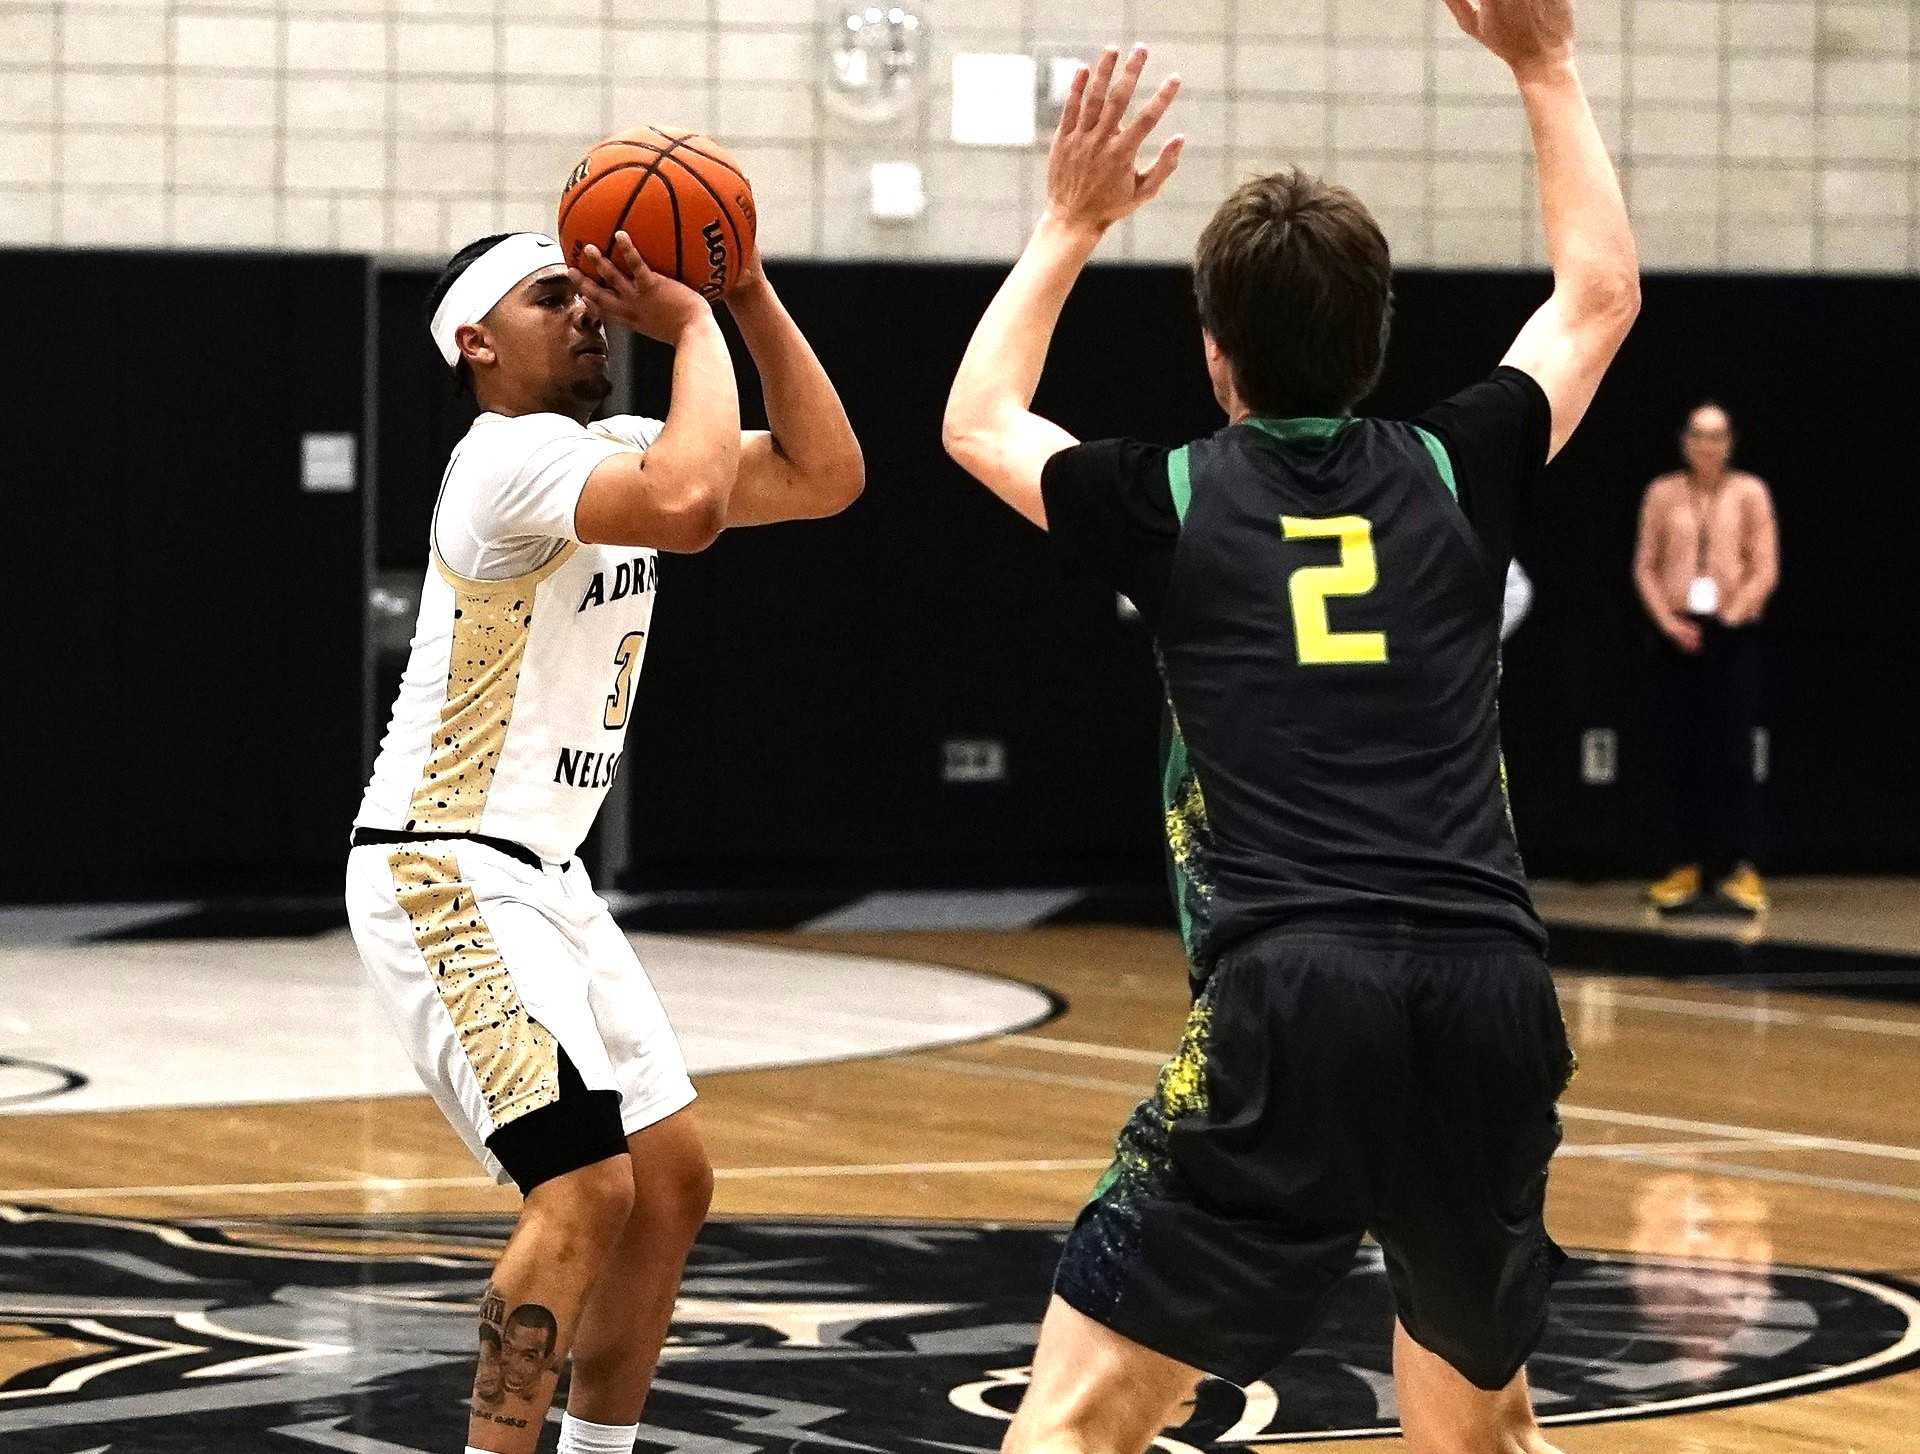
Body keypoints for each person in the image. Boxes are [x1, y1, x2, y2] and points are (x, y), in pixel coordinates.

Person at [940, 0, 1637, 1448]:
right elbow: (1597, 297)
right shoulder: (1462, 462)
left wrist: (1070, 221)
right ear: (1377, 338)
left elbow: (980, 415)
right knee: (1484, 1426)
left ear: (1213, 354)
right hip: (1489, 988)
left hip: (1291, 996)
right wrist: (1545, 63)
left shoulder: (1174, 497)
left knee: (1074, 1421)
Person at [345, 226, 861, 1454]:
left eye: (592, 296)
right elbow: (685, 509)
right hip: (445, 860)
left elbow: (829, 471)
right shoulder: (507, 462)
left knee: (670, 1185)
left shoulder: (612, 448)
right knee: (585, 1182)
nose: (587, 315)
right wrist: (689, 327)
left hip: (544, 871)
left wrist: (750, 295)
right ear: (477, 344)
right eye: (551, 298)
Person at [1633, 402, 1778, 914]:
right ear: (1684, 441)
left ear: (1731, 441)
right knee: (1678, 752)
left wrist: (1733, 616)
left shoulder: (1750, 492)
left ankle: (1739, 867)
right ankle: (1682, 864)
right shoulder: (1662, 493)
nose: (1707, 446)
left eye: (1717, 436)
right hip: (1676, 636)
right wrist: (1669, 623)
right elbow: (1644, 566)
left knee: (1734, 754)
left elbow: (1764, 565)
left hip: (1732, 636)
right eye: (1698, 435)